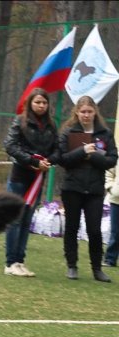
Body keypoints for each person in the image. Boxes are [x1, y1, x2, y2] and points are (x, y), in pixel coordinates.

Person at [58, 95, 117, 282]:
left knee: (94, 230)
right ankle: (72, 266)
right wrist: (82, 151)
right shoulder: (69, 132)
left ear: (95, 112)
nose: (86, 115)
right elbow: (63, 159)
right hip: (72, 187)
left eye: (89, 112)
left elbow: (111, 160)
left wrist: (92, 157)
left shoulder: (105, 133)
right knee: (71, 227)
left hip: (94, 190)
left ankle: (97, 269)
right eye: (83, 111)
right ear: (77, 112)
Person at [2, 88, 59, 277]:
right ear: (30, 103)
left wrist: (47, 161)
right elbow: (10, 145)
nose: (41, 106)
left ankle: (20, 261)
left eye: (44, 102)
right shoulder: (20, 121)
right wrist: (32, 161)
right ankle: (10, 263)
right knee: (15, 219)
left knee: (27, 220)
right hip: (19, 176)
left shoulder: (51, 125)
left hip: (38, 178)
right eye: (37, 102)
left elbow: (57, 149)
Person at [103, 160, 119, 267]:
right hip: (116, 199)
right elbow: (109, 172)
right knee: (115, 232)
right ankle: (110, 259)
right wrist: (110, 188)